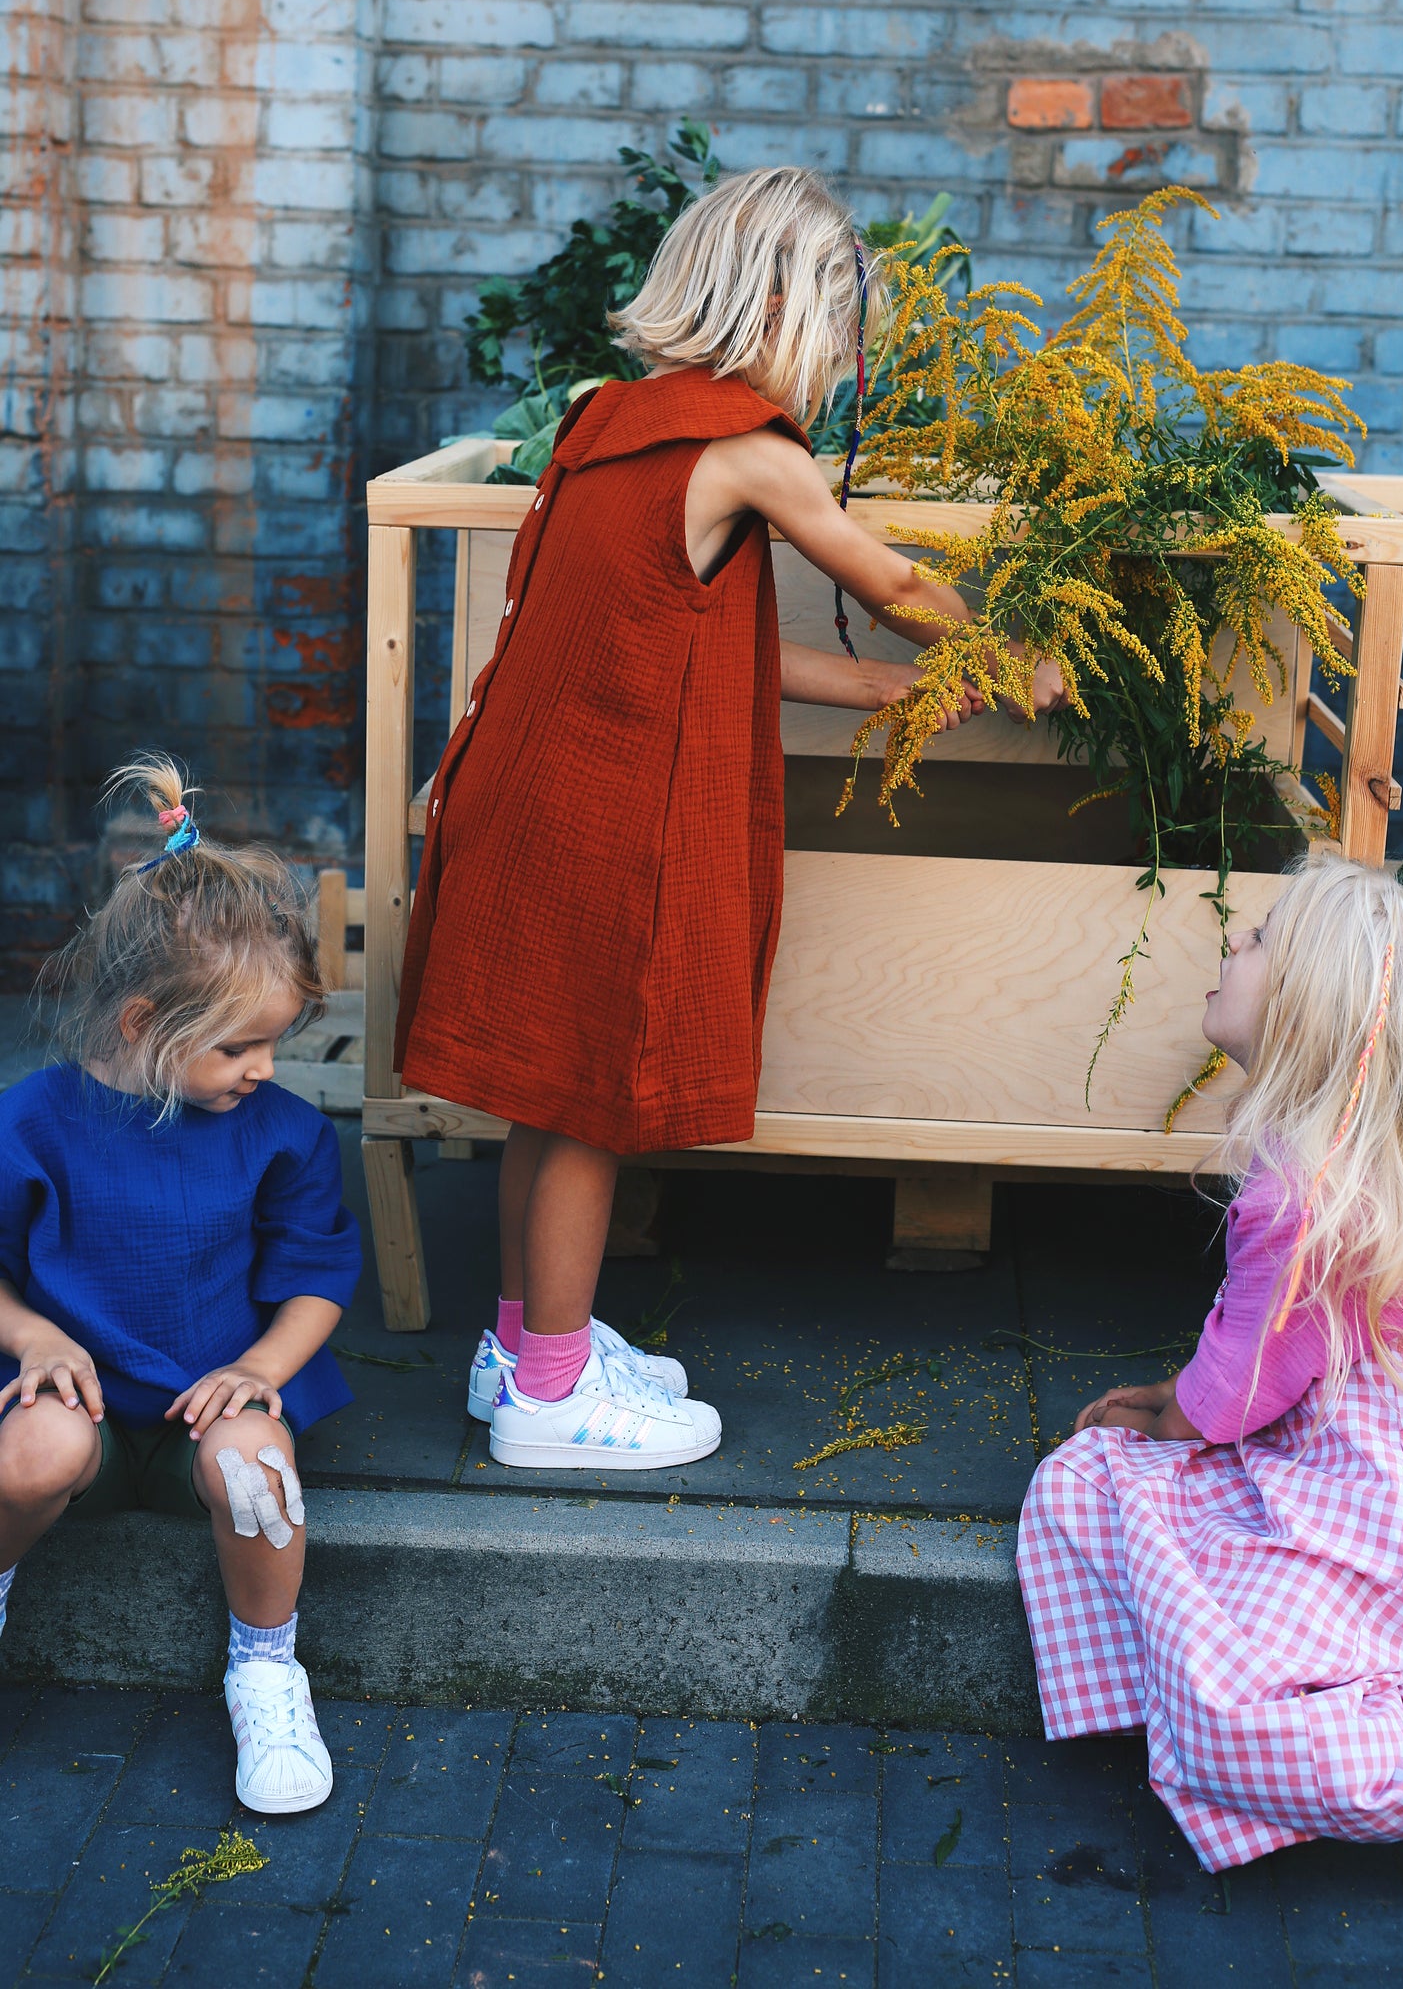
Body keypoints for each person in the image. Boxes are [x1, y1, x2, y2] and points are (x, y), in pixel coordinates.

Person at [396, 164, 1065, 1472]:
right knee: (589, 1101)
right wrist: (1017, 655)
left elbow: (688, 633)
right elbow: (892, 579)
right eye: (842, 330)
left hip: (522, 797)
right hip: (606, 824)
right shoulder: (747, 453)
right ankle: (549, 1398)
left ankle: (523, 1347)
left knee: (541, 1098)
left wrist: (892, 688)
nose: (846, 362)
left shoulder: (607, 424)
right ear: (782, 310)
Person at [1018, 853, 1403, 1871]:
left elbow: (1232, 1392)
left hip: (1357, 1533)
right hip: (1333, 1487)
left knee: (1090, 1480)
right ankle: (1190, 1695)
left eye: (1252, 940)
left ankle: (1244, 1725)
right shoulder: (1360, 1175)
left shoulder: (1302, 1197)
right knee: (1081, 1483)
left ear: (1303, 1008)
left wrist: (1170, 1409)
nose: (1226, 945)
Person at [0, 756, 362, 1817]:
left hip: (211, 1409)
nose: (263, 1066)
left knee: (259, 1473)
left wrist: (261, 1369)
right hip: (83, 1409)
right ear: (140, 1022)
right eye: (237, 1044)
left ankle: (265, 1665)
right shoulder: (31, 1119)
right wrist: (31, 1339)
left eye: (275, 1042)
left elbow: (316, 1278)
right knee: (33, 1451)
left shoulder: (284, 1133)